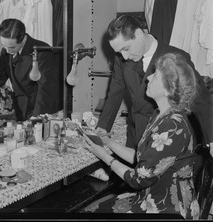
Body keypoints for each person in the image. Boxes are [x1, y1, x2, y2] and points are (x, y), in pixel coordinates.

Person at [81, 53, 200, 218]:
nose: (148, 77)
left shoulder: (172, 126)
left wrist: (105, 157)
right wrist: (107, 142)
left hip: (170, 208)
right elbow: (141, 158)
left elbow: (138, 179)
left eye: (156, 76)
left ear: (168, 90)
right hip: (152, 196)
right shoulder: (159, 114)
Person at [96, 14, 213, 166]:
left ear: (138, 34)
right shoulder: (122, 58)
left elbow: (201, 100)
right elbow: (114, 94)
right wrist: (102, 130)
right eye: (119, 52)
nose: (124, 56)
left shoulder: (176, 57)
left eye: (126, 48)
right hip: (135, 135)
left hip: (166, 139)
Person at [0, 18, 61, 121]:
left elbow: (46, 89)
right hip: (19, 109)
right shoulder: (6, 50)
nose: (8, 50)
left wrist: (36, 118)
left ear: (23, 39)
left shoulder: (42, 51)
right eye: (4, 45)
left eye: (13, 47)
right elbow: (1, 77)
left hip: (37, 109)